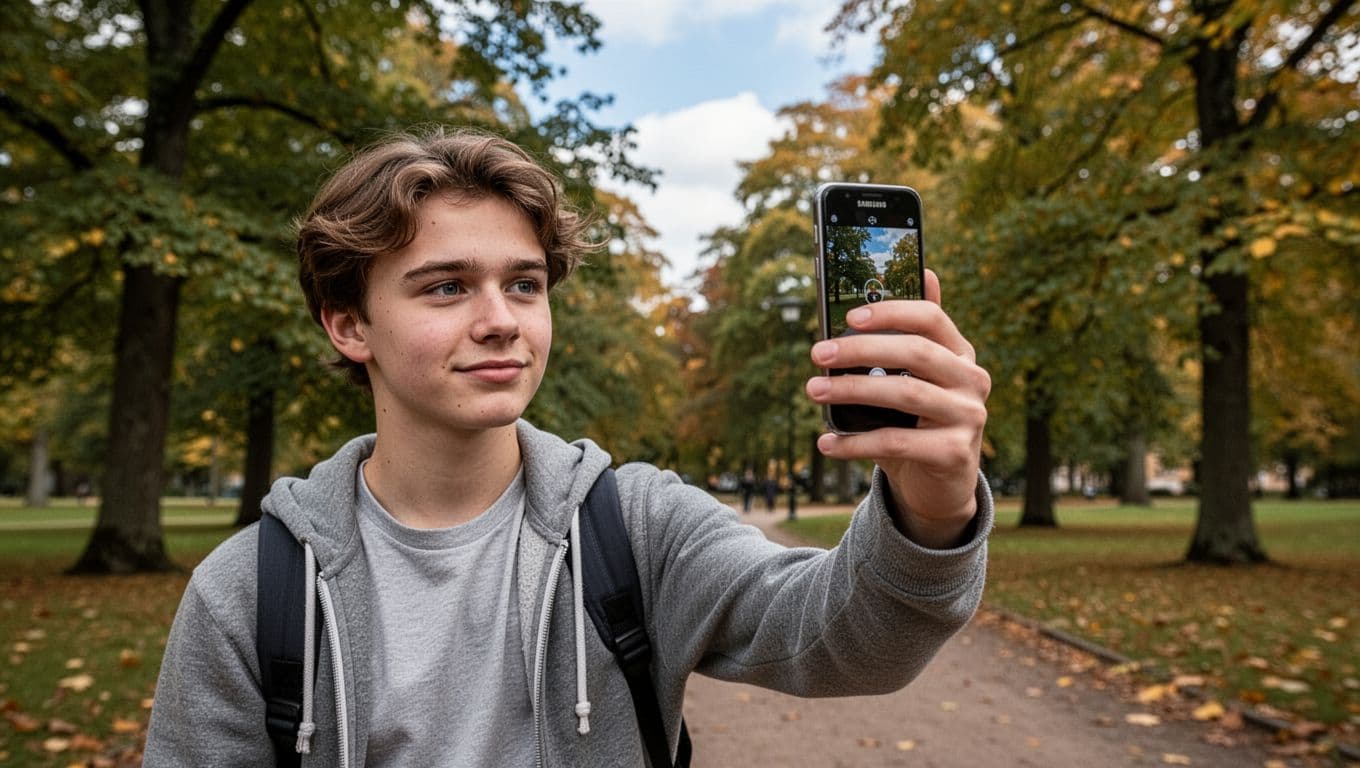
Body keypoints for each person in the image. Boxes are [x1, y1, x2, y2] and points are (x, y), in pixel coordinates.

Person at [144, 128, 993, 767]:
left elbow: (849, 640)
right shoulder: (247, 595)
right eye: (446, 287)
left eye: (524, 284)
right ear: (348, 323)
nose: (501, 320)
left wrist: (935, 504)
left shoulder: (636, 527)